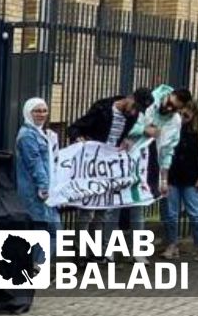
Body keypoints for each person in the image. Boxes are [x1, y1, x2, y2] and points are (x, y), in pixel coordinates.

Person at [65, 87, 154, 261]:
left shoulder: (132, 115)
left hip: (109, 166)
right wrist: (79, 139)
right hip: (92, 164)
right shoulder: (103, 108)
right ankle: (80, 251)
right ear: (129, 97)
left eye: (138, 110)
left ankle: (94, 249)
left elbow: (128, 135)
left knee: (102, 210)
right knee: (87, 209)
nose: (135, 112)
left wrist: (127, 140)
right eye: (134, 106)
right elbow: (76, 127)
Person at [159, 89, 198, 264]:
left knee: (196, 213)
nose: (183, 118)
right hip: (172, 176)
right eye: (180, 114)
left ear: (193, 113)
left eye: (186, 114)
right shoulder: (171, 126)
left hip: (192, 177)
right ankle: (172, 245)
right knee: (170, 213)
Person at [15, 98, 60, 233]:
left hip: (46, 191)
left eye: (44, 111)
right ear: (29, 113)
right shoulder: (27, 136)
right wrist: (44, 186)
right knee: (46, 233)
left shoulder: (41, 133)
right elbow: (35, 163)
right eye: (37, 111)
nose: (42, 114)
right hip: (36, 193)